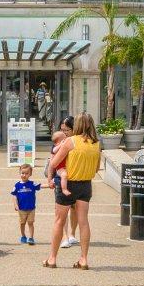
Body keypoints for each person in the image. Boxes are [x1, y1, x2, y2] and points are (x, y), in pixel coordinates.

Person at [61, 114, 102, 270]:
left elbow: (55, 162)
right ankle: (83, 259)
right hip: (86, 185)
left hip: (70, 182)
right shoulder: (96, 144)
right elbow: (97, 168)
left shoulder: (72, 141)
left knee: (60, 218)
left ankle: (53, 257)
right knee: (84, 221)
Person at [40, 118, 76, 268]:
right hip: (61, 177)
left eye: (66, 130)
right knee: (61, 213)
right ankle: (66, 237)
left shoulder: (76, 142)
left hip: (75, 178)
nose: (64, 132)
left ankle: (72, 234)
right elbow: (52, 163)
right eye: (62, 130)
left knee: (74, 209)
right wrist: (49, 180)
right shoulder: (59, 144)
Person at [12, 163, 41, 245]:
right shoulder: (17, 185)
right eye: (22, 173)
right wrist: (15, 205)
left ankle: (31, 238)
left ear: (30, 174)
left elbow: (40, 186)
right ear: (20, 173)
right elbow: (14, 196)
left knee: (30, 223)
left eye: (26, 173)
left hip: (31, 208)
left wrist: (50, 185)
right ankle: (23, 236)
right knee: (22, 223)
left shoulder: (32, 183)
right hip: (21, 208)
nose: (24, 175)